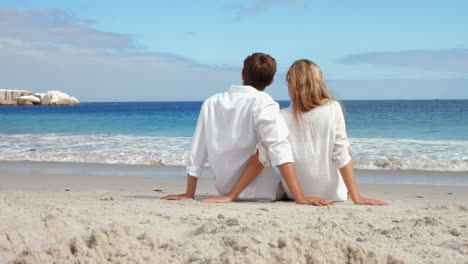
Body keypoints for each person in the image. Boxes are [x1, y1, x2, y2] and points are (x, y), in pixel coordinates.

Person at [202, 59, 387, 206]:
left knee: (271, 153)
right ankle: (348, 191)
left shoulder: (280, 116)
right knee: (343, 148)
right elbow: (341, 155)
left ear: (292, 84)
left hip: (295, 193)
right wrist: (357, 197)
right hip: (334, 194)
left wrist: (231, 195)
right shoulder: (333, 108)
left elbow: (259, 159)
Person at [162, 53, 332, 205]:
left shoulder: (211, 102)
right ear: (271, 81)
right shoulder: (264, 102)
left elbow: (197, 149)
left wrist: (189, 193)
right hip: (265, 192)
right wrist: (300, 197)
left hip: (224, 188)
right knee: (278, 141)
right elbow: (278, 147)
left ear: (242, 74)